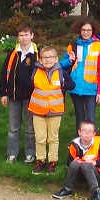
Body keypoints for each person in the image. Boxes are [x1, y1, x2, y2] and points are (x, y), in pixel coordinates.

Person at [30, 45, 74, 175]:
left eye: (51, 57)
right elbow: (29, 85)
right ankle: (40, 160)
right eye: (45, 58)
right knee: (40, 137)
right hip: (38, 110)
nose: (48, 60)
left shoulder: (61, 72)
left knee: (53, 137)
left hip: (55, 111)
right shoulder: (35, 71)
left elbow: (72, 85)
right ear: (40, 59)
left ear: (56, 59)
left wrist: (64, 83)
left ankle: (52, 161)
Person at [0, 23, 38, 164]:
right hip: (14, 96)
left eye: (26, 34)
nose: (24, 38)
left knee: (30, 127)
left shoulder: (37, 55)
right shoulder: (12, 54)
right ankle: (12, 153)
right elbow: (4, 74)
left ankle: (30, 153)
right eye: (21, 35)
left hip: (31, 97)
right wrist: (3, 93)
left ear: (32, 36)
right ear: (18, 37)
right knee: (13, 127)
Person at [61, 17, 100, 130]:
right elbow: (61, 65)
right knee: (79, 117)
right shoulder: (72, 46)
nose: (86, 32)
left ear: (93, 31)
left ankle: (92, 144)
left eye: (88, 30)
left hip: (91, 88)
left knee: (90, 118)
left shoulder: (98, 46)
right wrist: (69, 61)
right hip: (75, 87)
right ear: (79, 30)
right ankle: (79, 144)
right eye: (83, 30)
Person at [52, 120, 100, 200]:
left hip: (94, 171)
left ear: (94, 134)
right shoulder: (74, 144)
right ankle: (67, 189)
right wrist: (74, 161)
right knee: (74, 163)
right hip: (79, 171)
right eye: (84, 131)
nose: (87, 133)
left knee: (86, 165)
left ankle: (97, 192)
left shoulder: (99, 144)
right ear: (79, 132)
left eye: (90, 131)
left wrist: (95, 163)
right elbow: (68, 162)